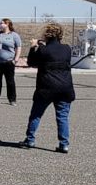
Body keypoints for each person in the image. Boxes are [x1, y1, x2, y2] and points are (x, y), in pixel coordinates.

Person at [21, 22, 75, 153]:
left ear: (47, 35)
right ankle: (64, 144)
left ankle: (30, 139)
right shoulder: (67, 48)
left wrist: (33, 47)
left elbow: (31, 63)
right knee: (62, 117)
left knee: (36, 114)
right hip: (65, 87)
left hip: (46, 88)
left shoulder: (43, 50)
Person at [0, 18, 22, 105]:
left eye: (2, 23)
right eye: (0, 23)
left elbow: (18, 47)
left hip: (9, 62)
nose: (0, 25)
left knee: (10, 81)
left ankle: (12, 99)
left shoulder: (14, 35)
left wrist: (16, 59)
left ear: (8, 24)